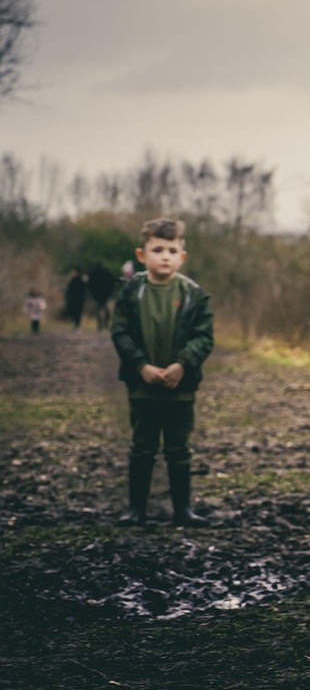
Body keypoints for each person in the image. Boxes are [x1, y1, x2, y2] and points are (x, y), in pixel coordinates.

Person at [110, 218, 214, 528]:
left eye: (171, 250)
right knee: (142, 446)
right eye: (157, 250)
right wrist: (140, 366)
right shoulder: (131, 292)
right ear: (142, 255)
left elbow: (204, 336)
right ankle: (136, 510)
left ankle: (183, 509)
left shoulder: (194, 294)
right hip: (142, 386)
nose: (165, 256)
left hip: (181, 387)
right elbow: (120, 333)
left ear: (182, 256)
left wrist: (183, 364)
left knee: (178, 448)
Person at [87, 261, 117, 331]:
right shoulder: (107, 273)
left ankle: (99, 325)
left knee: (98, 311)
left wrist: (92, 293)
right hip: (106, 295)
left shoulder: (93, 274)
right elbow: (112, 283)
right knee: (107, 310)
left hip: (96, 295)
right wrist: (111, 293)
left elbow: (89, 285)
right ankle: (106, 324)